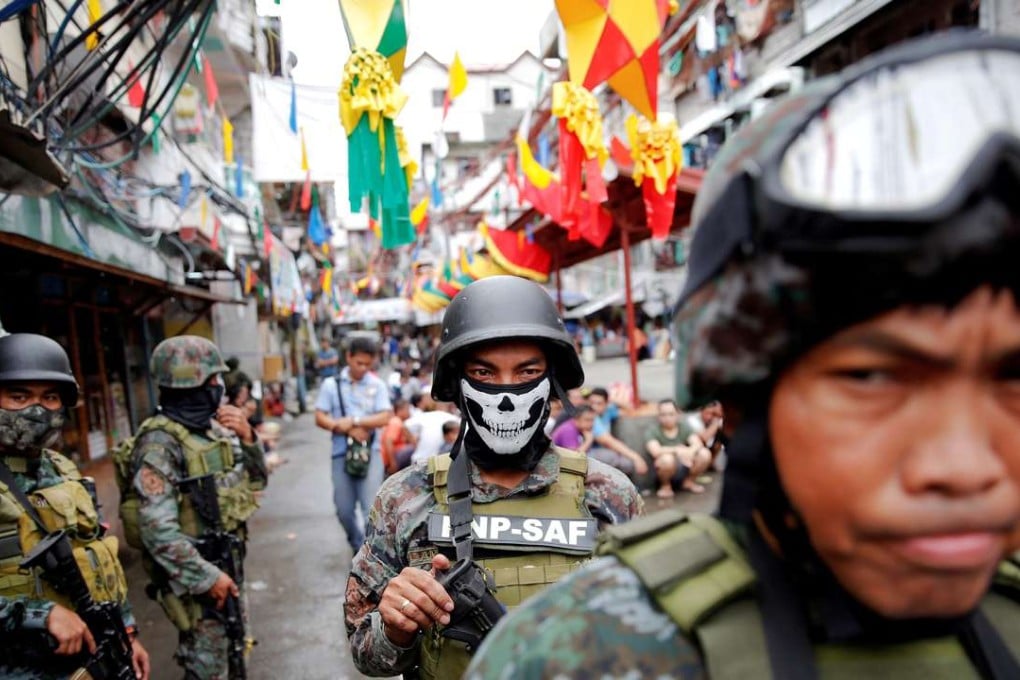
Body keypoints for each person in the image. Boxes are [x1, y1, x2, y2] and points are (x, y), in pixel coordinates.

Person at [465, 32, 1020, 678]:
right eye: (872, 377)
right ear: (738, 399)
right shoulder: (577, 656)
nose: (966, 468)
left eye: (1013, 379)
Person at [344, 275, 643, 679]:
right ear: (458, 385)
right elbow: (365, 652)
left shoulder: (608, 494)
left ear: (552, 383)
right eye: (484, 373)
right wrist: (395, 628)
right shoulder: (405, 497)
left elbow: (649, 637)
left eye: (527, 372)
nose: (507, 395)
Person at [0, 333, 150, 680]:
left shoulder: (62, 469)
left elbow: (98, 558)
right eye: (19, 396)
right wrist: (41, 615)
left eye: (49, 397)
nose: (37, 410)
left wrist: (126, 633)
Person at [120, 335, 266, 679]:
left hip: (227, 566)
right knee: (208, 665)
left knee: (235, 654)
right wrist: (207, 578)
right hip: (196, 579)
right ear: (188, 384)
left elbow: (256, 484)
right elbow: (158, 532)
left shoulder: (210, 431)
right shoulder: (159, 445)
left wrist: (248, 438)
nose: (218, 388)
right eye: (212, 380)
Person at [314, 335, 392, 553]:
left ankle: (369, 555)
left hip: (370, 453)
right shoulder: (331, 385)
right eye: (359, 363)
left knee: (370, 510)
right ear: (348, 357)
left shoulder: (377, 385)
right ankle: (356, 543)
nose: (363, 368)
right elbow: (320, 417)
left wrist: (356, 421)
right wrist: (343, 427)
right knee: (344, 510)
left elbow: (385, 416)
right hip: (341, 453)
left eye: (368, 364)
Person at [645, 398, 712, 498]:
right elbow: (655, 451)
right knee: (667, 459)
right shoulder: (653, 431)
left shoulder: (683, 427)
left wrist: (689, 451)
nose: (667, 418)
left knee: (704, 453)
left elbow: (697, 443)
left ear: (677, 414)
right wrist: (677, 450)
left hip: (685, 466)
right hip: (662, 471)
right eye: (663, 414)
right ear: (658, 416)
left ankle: (689, 482)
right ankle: (665, 486)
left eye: (671, 414)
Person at [586, 387, 648, 479]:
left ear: (606, 404)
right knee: (626, 463)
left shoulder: (607, 411)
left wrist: (613, 399)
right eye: (591, 403)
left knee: (625, 463)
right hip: (589, 452)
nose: (594, 407)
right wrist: (636, 458)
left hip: (603, 451)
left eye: (599, 403)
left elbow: (630, 410)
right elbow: (608, 441)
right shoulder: (590, 418)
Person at [405, 395, 460, 466]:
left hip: (422, 461)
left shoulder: (424, 416)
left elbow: (405, 425)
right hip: (427, 462)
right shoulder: (452, 418)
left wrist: (415, 443)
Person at [381, 398, 417, 475]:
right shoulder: (396, 422)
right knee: (412, 448)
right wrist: (393, 464)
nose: (409, 412)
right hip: (390, 459)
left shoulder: (399, 422)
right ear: (400, 410)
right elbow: (388, 441)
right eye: (407, 409)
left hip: (394, 456)